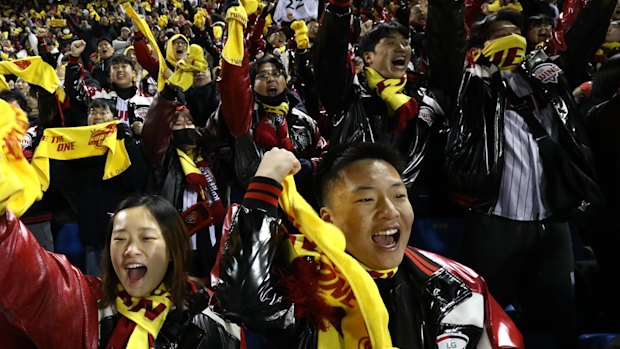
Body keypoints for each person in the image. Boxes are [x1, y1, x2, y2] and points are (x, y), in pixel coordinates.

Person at [212, 142, 523, 348]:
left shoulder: (457, 284)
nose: (390, 211)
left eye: (399, 195)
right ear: (327, 219)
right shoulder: (303, 279)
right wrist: (266, 182)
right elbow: (242, 301)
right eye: (366, 199)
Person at [443, 6, 611, 348]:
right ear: (481, 46)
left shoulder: (546, 79)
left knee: (561, 322)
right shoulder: (470, 86)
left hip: (552, 220)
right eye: (501, 34)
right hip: (497, 220)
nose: (512, 39)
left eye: (516, 33)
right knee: (480, 323)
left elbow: (583, 38)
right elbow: (443, 43)